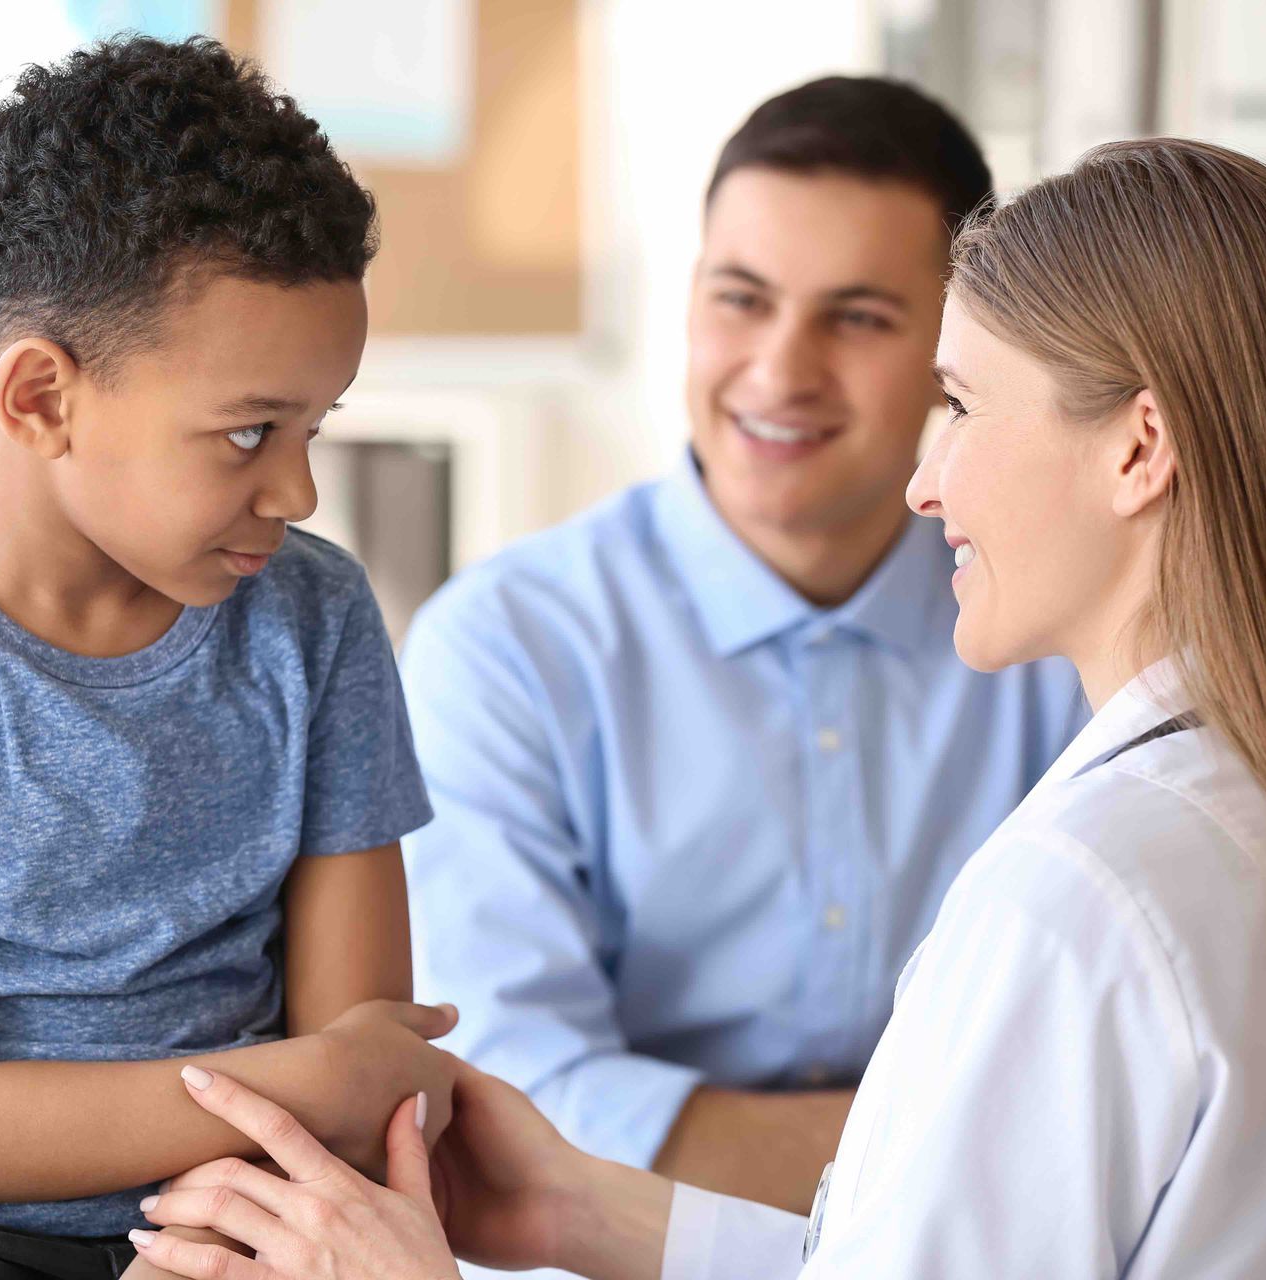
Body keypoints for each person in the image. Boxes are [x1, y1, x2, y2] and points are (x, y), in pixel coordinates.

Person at [126, 138, 1266, 1279]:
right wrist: (579, 1207)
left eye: (959, 402)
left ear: (1139, 447)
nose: (924, 482)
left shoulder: (1081, 901)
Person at [0, 36, 457, 1280]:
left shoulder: (314, 619)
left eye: (317, 425)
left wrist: (265, 1181)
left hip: (237, 1211)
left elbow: (360, 1081)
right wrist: (307, 1079)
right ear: (42, 398)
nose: (301, 488)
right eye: (250, 432)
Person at [399, 76, 1086, 1218]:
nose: (777, 371)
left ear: (961, 351)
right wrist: (981, 1137)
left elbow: (1121, 1062)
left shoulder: (1055, 639)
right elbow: (518, 1111)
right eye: (740, 299)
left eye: (858, 317)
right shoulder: (505, 646)